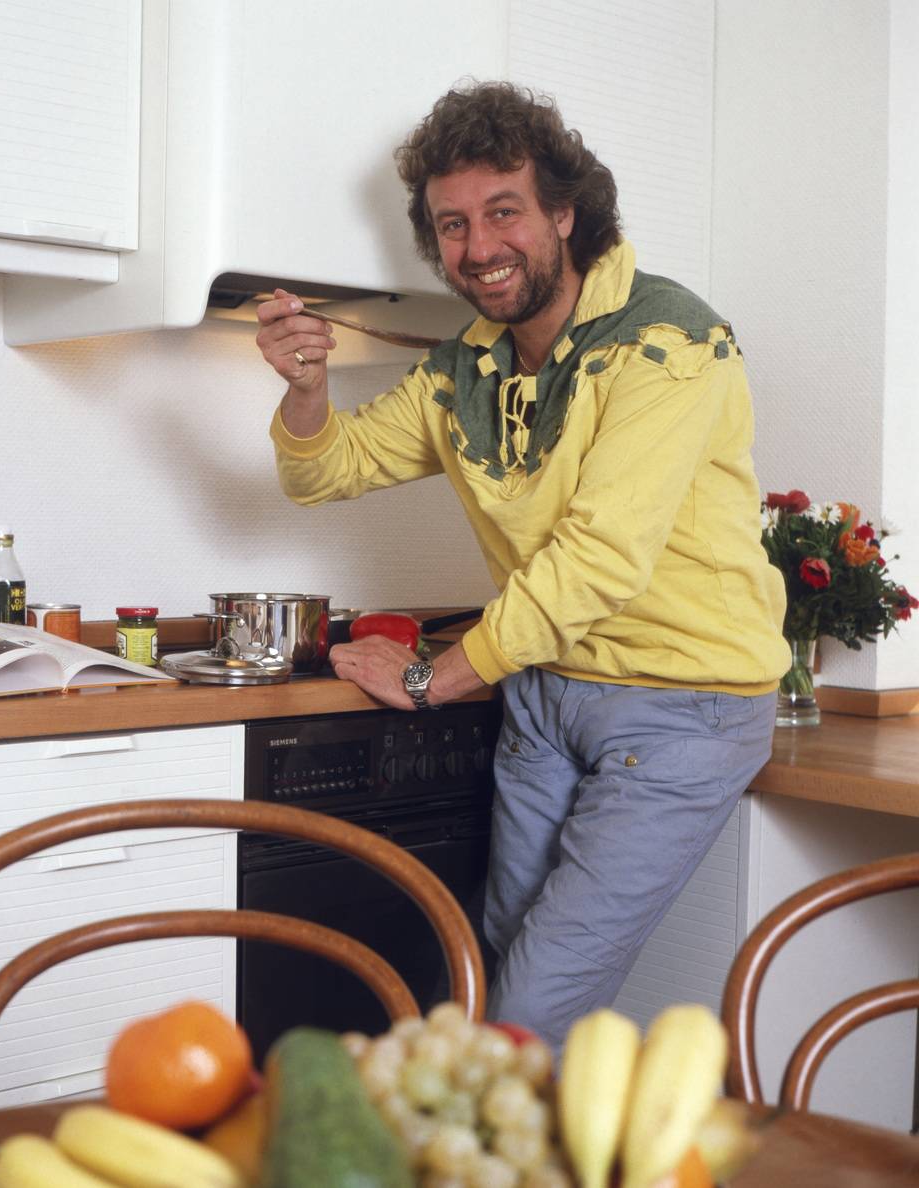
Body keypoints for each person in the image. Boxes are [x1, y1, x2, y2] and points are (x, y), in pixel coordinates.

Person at [254, 80, 789, 1051]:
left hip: (684, 705)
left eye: (504, 212)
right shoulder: (469, 366)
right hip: (544, 691)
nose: (479, 248)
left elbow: (599, 561)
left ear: (566, 215)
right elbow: (329, 470)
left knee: (522, 1016)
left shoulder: (669, 344)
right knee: (492, 967)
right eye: (452, 225)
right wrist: (307, 387)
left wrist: (430, 678)